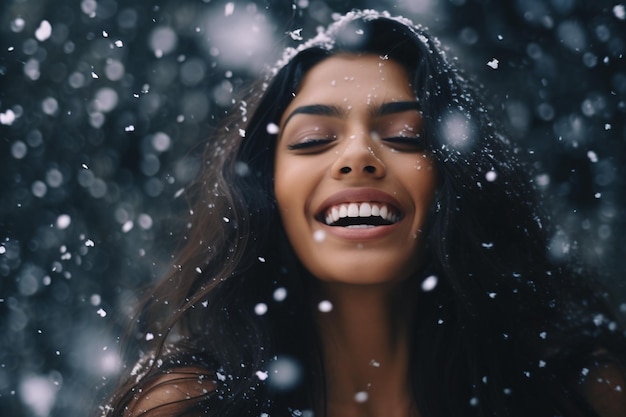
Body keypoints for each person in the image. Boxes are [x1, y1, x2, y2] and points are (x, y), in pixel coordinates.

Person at [101, 10, 626, 417]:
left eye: (405, 136)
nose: (357, 157)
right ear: (266, 189)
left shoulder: (578, 395)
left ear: (453, 179)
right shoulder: (187, 407)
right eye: (314, 140)